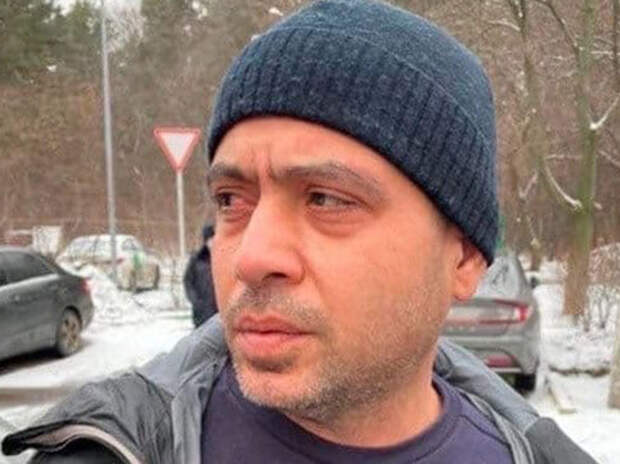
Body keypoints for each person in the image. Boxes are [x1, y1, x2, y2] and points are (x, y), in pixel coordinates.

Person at [2, 1, 597, 463]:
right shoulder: (101, 453)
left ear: (463, 258)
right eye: (231, 201)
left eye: (327, 199)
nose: (251, 256)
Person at [184, 224, 217, 327]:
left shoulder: (225, 258)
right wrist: (195, 300)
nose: (212, 242)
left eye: (215, 239)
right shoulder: (196, 259)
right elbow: (188, 281)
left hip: (220, 314)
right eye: (210, 239)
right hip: (201, 314)